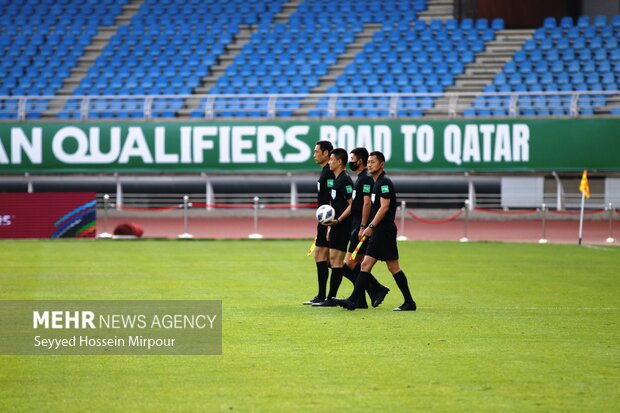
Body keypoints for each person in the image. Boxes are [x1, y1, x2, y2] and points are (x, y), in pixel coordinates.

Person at [333, 151, 417, 311]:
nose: (370, 165)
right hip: (379, 230)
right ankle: (355, 300)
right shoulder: (375, 182)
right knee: (365, 265)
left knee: (393, 267)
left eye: (373, 162)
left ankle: (408, 302)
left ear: (382, 165)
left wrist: (369, 226)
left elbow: (384, 208)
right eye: (369, 162)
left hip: (383, 231)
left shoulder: (384, 183)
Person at [340, 147, 390, 308]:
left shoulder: (365, 180)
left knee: (350, 264)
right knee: (354, 265)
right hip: (356, 224)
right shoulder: (360, 179)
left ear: (359, 161)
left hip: (361, 226)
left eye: (352, 159)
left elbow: (367, 203)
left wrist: (363, 226)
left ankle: (372, 291)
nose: (351, 162)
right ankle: (366, 295)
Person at [312, 148, 354, 307]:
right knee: (334, 261)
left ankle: (330, 298)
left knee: (336, 262)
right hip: (334, 225)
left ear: (339, 162)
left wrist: (338, 220)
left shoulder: (345, 180)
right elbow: (334, 204)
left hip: (342, 226)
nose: (329, 162)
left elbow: (352, 204)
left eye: (332, 159)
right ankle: (328, 297)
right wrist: (330, 224)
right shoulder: (337, 179)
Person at [303, 140, 334, 305]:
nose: (314, 154)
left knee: (324, 257)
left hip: (328, 222)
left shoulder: (329, 173)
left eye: (317, 151)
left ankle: (323, 296)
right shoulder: (325, 172)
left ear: (326, 153)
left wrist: (328, 224)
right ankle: (373, 286)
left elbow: (332, 199)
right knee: (329, 260)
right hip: (324, 221)